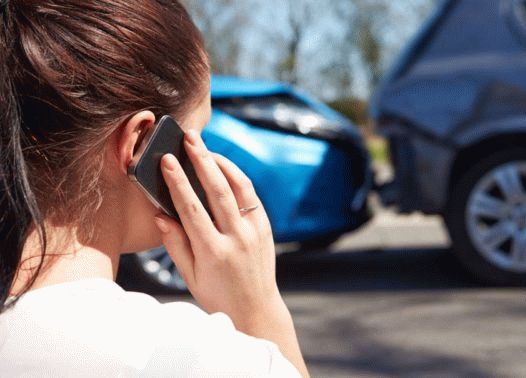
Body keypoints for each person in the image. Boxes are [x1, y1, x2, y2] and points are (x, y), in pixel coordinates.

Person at [0, 0, 309, 376]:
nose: (204, 160)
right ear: (140, 143)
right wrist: (258, 311)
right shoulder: (199, 359)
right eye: (198, 135)